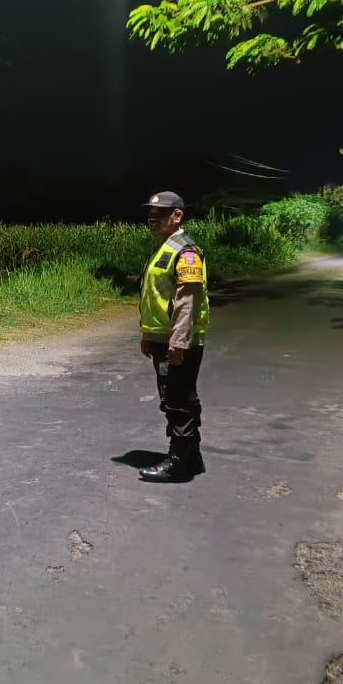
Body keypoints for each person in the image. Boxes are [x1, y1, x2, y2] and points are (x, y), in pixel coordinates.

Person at [136, 191, 210, 482]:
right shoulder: (164, 248)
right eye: (151, 213)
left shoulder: (185, 252)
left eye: (161, 213)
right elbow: (155, 297)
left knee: (178, 400)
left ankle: (178, 463)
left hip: (177, 341)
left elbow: (187, 302)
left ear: (177, 216)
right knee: (178, 398)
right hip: (162, 338)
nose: (153, 218)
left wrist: (178, 342)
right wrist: (147, 334)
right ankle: (192, 458)